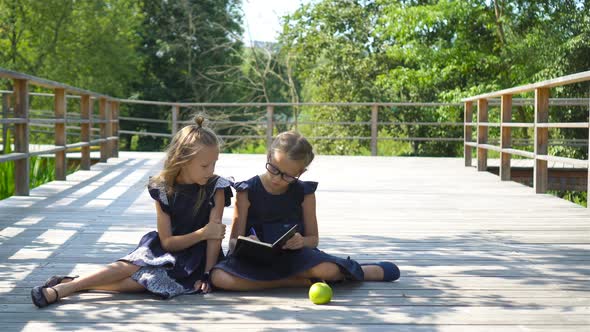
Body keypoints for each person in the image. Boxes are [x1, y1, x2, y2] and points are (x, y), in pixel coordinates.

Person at [31, 115, 232, 307]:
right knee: (133, 265)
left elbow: (214, 240)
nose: (211, 170)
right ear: (183, 161)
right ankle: (66, 288)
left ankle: (76, 282)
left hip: (195, 259)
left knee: (143, 283)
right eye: (205, 165)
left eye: (215, 163)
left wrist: (206, 274)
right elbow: (168, 243)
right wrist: (203, 233)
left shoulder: (216, 188)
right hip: (166, 248)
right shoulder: (163, 189)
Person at [210, 131, 399, 291]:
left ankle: (359, 271)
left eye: (287, 176)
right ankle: (301, 281)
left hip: (294, 258)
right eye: (274, 169)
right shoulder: (246, 191)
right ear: (268, 156)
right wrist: (247, 243)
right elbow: (234, 243)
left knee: (328, 270)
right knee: (218, 277)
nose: (277, 179)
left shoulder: (305, 193)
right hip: (254, 260)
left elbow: (313, 239)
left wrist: (301, 241)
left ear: (300, 173)